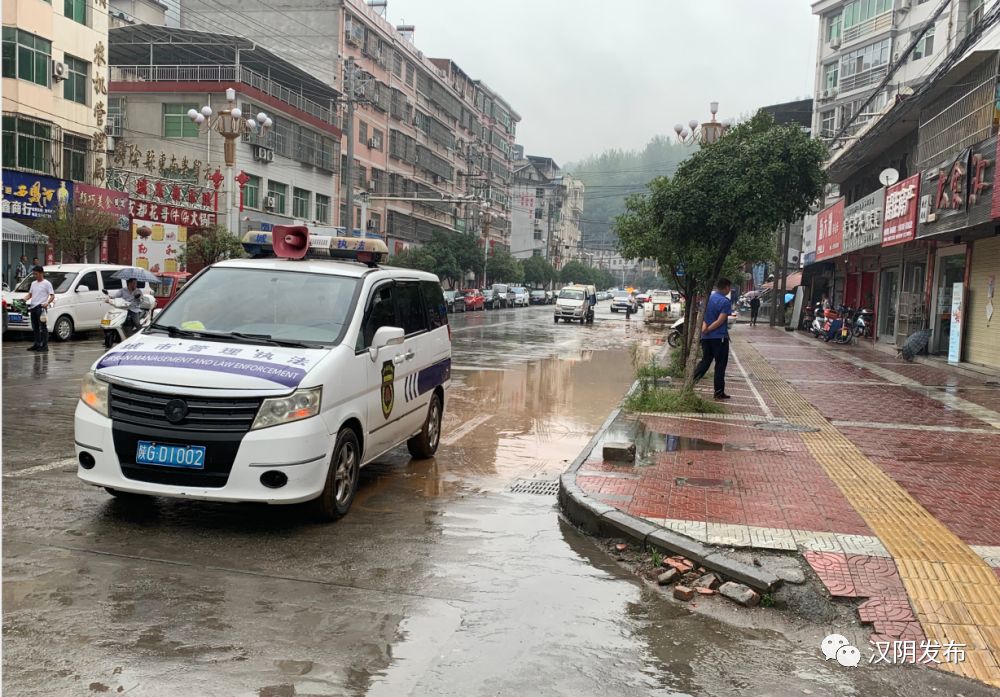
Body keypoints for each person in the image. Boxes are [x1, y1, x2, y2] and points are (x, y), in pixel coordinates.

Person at [693, 278, 733, 400]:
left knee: (705, 361)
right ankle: (719, 392)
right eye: (729, 287)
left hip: (706, 337)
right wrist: (710, 329)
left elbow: (702, 315)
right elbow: (721, 320)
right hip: (719, 337)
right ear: (726, 287)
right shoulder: (725, 302)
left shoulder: (707, 299)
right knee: (720, 365)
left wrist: (705, 328)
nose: (729, 290)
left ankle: (690, 382)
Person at [24, 265, 54, 352]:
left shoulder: (47, 283)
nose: (34, 276)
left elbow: (52, 296)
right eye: (33, 274)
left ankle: (45, 346)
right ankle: (37, 344)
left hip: (41, 308)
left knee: (43, 327)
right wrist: (23, 300)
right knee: (35, 327)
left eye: (36, 274)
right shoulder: (33, 283)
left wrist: (47, 303)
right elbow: (30, 295)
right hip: (33, 307)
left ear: (41, 273)